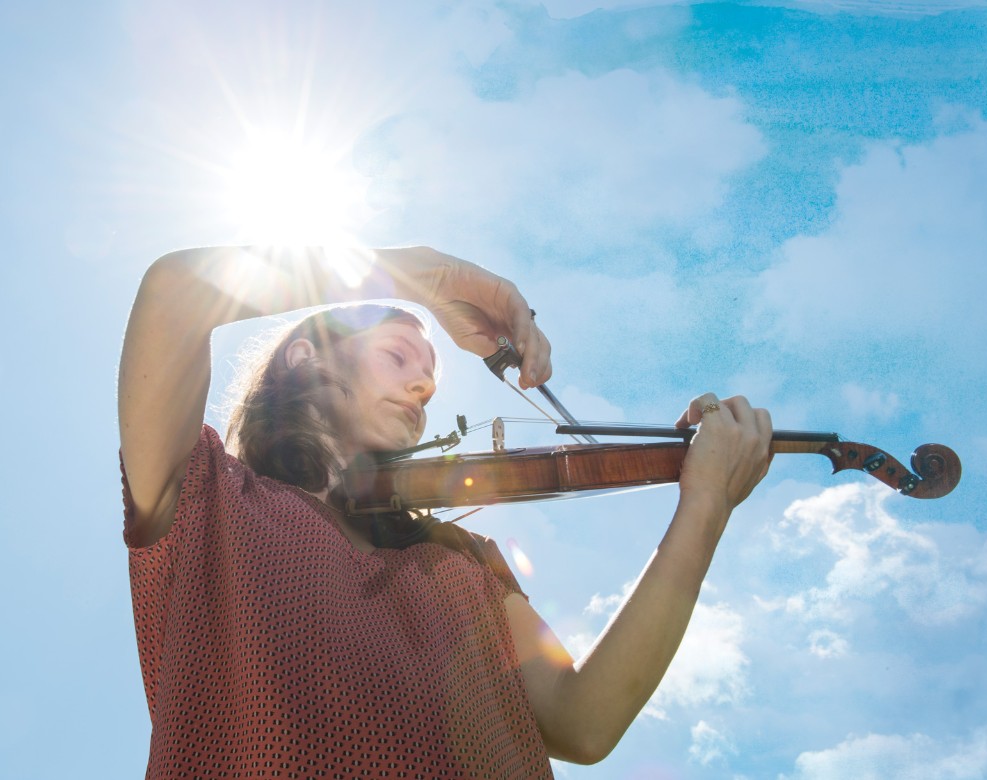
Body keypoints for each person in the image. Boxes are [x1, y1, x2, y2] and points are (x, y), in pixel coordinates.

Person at [118, 245, 773, 778]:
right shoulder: (210, 503)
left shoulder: (466, 563)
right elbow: (174, 292)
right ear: (305, 355)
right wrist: (421, 279)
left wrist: (706, 506)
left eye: (429, 374)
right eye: (397, 356)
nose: (424, 385)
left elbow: (584, 721)